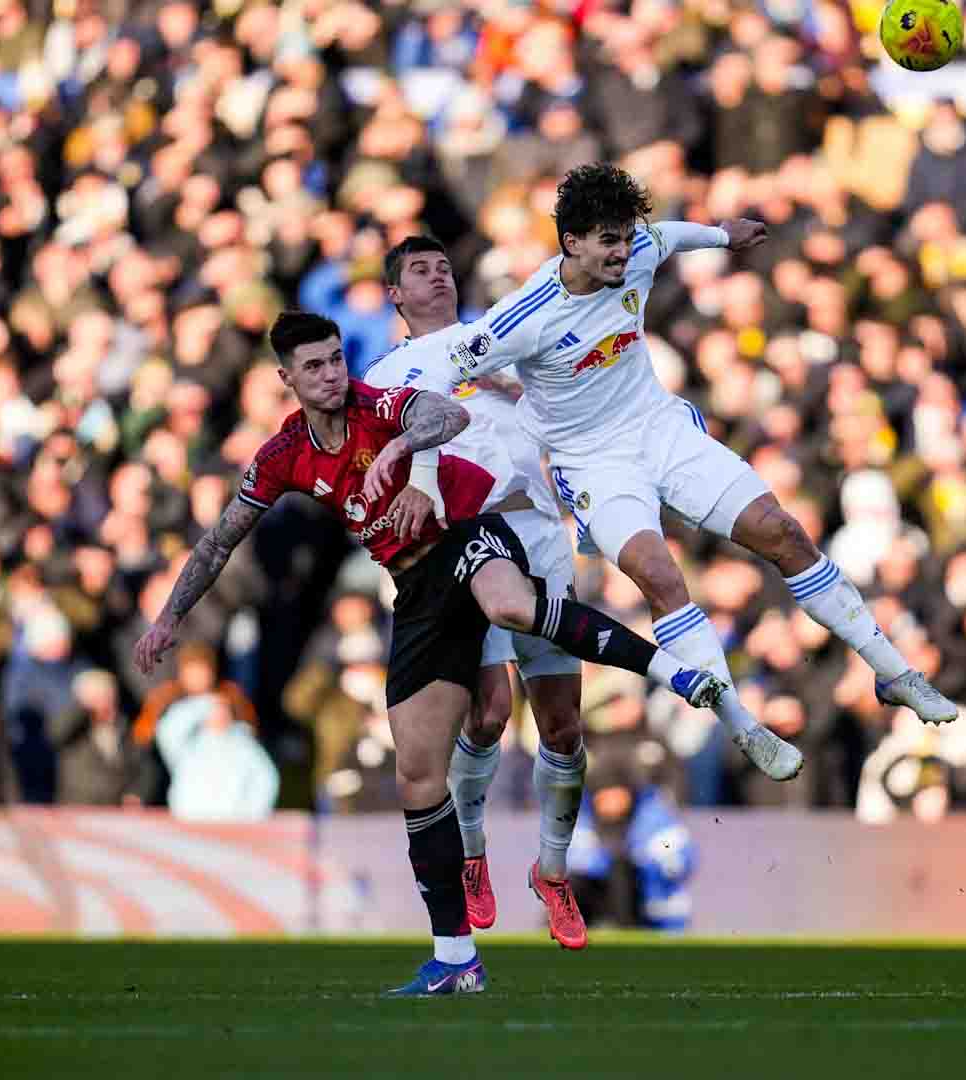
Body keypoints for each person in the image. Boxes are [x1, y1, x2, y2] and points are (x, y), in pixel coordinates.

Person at [132, 312, 730, 993]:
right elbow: (219, 541)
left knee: (509, 608)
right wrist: (167, 618)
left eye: (335, 359)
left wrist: (402, 453)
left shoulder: (377, 401)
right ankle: (456, 961)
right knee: (418, 775)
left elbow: (445, 414)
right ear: (286, 379)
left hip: (469, 534)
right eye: (315, 366)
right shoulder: (284, 454)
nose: (331, 374)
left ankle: (668, 667)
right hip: (415, 590)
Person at [424, 164, 960, 781]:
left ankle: (893, 672)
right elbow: (450, 365)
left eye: (627, 237)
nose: (624, 252)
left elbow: (670, 236)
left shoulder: (638, 253)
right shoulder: (522, 317)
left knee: (781, 531)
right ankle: (743, 724)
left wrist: (723, 236)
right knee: (657, 573)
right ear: (570, 243)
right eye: (609, 242)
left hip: (662, 430)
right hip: (593, 463)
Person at [362, 235, 586, 945]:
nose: (438, 277)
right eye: (419, 271)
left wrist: (516, 388)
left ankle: (552, 873)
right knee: (487, 715)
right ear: (395, 295)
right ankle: (472, 854)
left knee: (564, 726)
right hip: (470, 539)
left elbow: (567, 404)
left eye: (444, 268)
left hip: (541, 530)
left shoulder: (499, 340)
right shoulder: (386, 376)